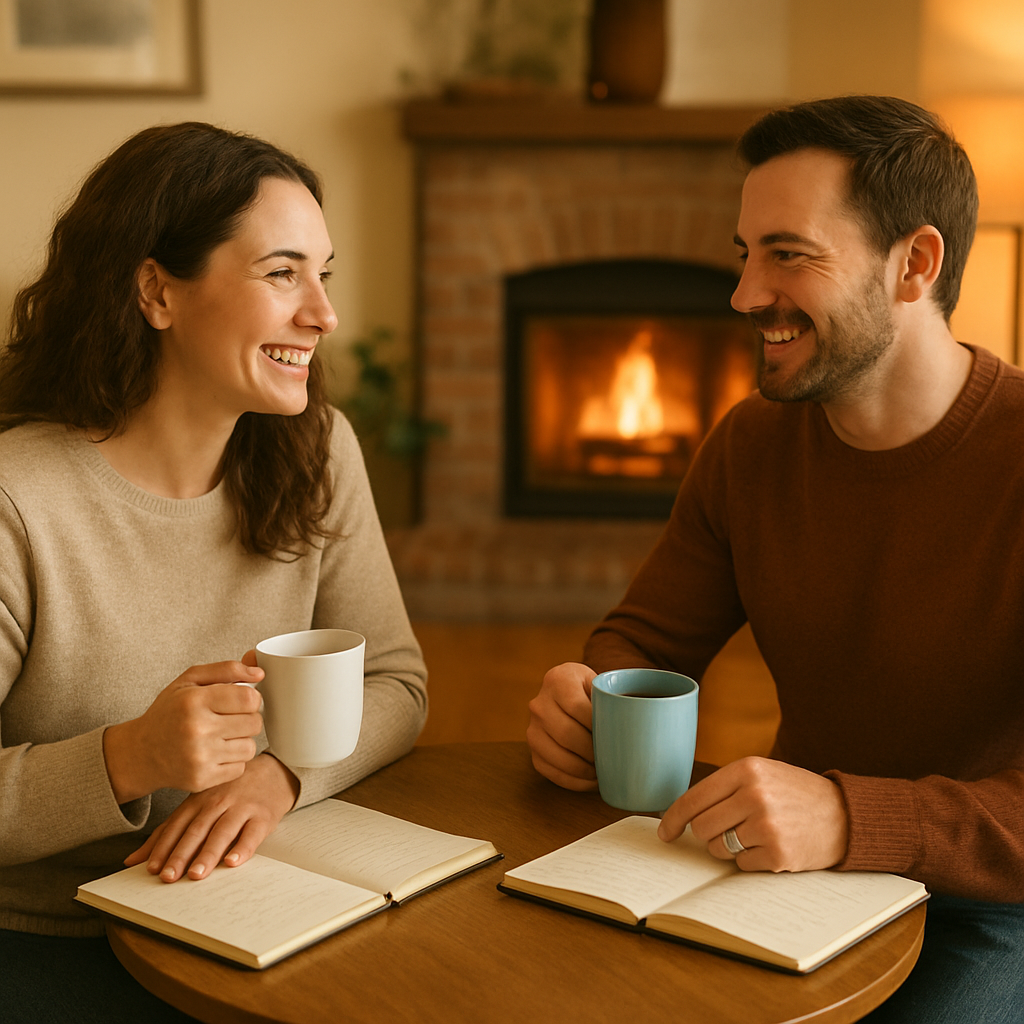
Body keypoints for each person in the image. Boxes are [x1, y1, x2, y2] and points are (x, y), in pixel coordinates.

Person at [526, 95, 1024, 1023]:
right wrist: (586, 697)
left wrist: (848, 816)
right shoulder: (751, 445)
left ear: (914, 264)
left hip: (992, 903)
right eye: (743, 253)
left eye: (788, 254)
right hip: (790, 876)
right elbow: (647, 640)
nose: (745, 294)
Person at [0, 122, 427, 1021]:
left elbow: (395, 681)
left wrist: (279, 776)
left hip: (250, 911)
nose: (323, 313)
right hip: (43, 939)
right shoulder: (16, 501)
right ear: (156, 290)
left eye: (324, 274)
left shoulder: (317, 451)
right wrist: (128, 757)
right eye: (281, 274)